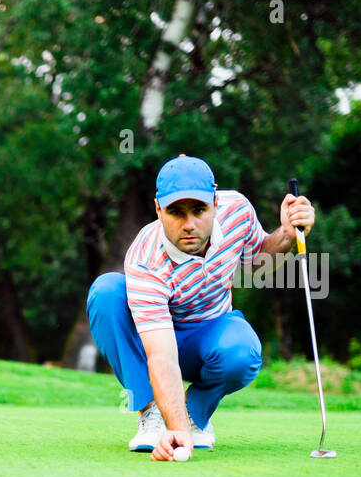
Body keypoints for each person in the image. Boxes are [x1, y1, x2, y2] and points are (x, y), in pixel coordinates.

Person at [86, 155, 315, 461]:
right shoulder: (145, 257)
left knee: (242, 351)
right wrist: (173, 425)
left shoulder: (237, 211)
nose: (189, 225)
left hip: (209, 335)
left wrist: (286, 234)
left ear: (216, 203)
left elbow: (257, 261)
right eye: (176, 212)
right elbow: (161, 355)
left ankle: (195, 415)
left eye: (199, 210)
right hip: (156, 339)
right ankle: (151, 412)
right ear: (158, 209)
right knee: (107, 293)